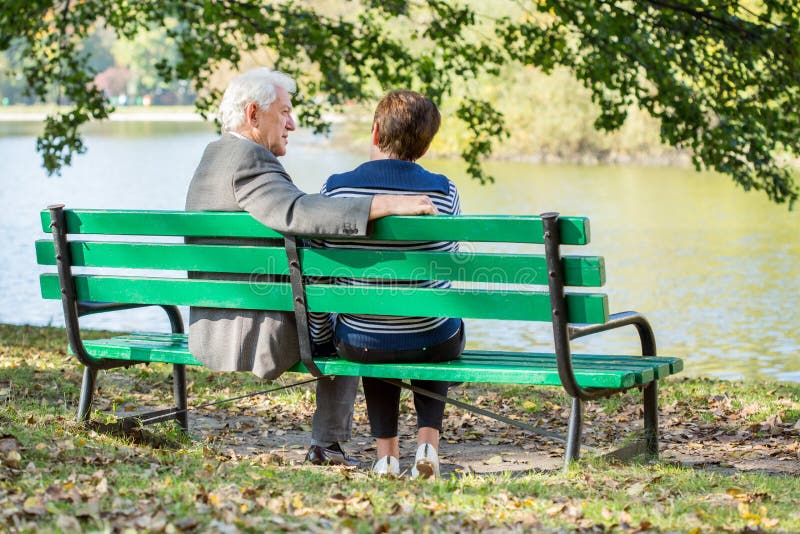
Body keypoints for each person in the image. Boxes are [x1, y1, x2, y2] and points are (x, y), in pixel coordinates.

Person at [185, 69, 437, 467]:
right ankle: (327, 443)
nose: (292, 123)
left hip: (219, 313)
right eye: (284, 112)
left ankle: (333, 443)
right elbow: (297, 210)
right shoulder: (249, 160)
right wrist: (384, 205)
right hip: (253, 325)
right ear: (253, 114)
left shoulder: (216, 154)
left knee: (335, 292)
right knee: (346, 306)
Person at [308, 90, 465, 479]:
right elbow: (447, 259)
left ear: (375, 132)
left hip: (360, 340)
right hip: (432, 337)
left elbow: (319, 268)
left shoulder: (337, 189)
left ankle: (386, 456)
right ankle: (427, 445)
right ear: (425, 146)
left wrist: (322, 334)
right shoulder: (444, 192)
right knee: (433, 320)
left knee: (373, 330)